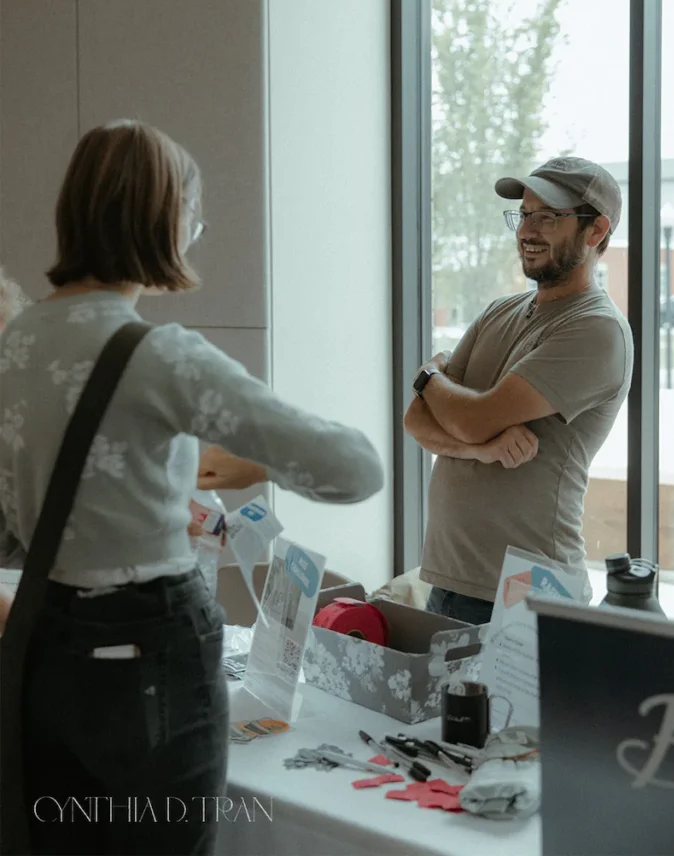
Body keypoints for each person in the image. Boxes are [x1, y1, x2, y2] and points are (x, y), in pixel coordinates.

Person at [0, 119, 384, 856]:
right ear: (167, 220)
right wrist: (254, 466)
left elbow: (14, 524)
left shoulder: (17, 341)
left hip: (46, 653)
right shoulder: (160, 357)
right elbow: (352, 469)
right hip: (152, 658)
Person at [404, 157, 633, 626]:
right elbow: (416, 421)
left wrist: (429, 376)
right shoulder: (499, 311)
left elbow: (470, 418)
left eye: (548, 217)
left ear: (596, 231)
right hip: (451, 583)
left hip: (526, 597)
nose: (527, 230)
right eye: (524, 214)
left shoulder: (596, 330)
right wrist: (484, 452)